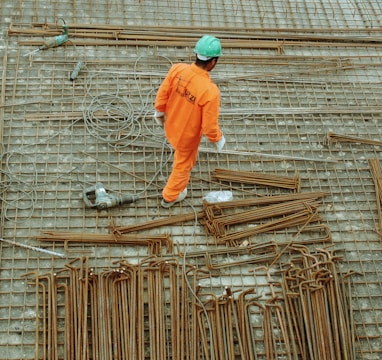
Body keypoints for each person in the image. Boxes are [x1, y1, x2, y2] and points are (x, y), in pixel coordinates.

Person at [154, 35, 226, 208]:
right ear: (213, 62)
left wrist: (159, 111)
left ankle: (172, 192)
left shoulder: (177, 69)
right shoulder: (210, 92)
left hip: (170, 124)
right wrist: (217, 139)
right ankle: (170, 197)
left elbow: (162, 93)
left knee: (179, 155)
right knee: (183, 165)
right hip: (186, 137)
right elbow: (209, 126)